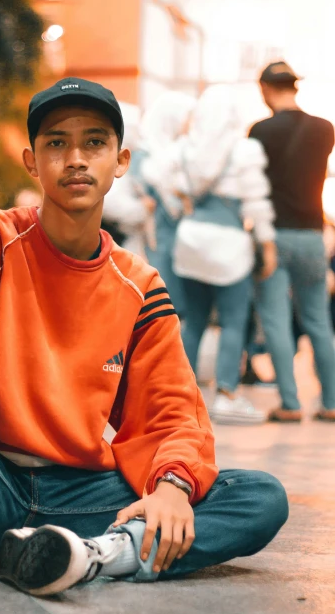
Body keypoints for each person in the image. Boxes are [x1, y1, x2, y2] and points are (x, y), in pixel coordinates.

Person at [0, 77, 288, 601]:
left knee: (258, 497)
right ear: (32, 161)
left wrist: (172, 487)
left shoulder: (139, 285)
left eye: (94, 142)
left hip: (84, 496)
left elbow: (173, 409)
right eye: (56, 143)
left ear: (121, 160)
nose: (76, 158)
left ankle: (88, 556)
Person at [152, 85, 277, 425]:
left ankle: (183, 398)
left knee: (193, 321)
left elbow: (159, 179)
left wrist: (184, 207)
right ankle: (226, 393)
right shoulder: (245, 149)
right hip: (230, 247)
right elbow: (256, 202)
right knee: (233, 321)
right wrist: (266, 243)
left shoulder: (184, 150)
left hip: (190, 243)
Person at [250, 61, 335, 422]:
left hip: (274, 235)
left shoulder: (259, 131)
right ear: (295, 87)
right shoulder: (325, 129)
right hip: (313, 235)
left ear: (266, 89)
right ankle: (331, 403)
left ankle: (290, 402)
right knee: (318, 321)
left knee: (276, 320)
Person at [140, 91, 197, 317]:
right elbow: (173, 207)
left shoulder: (178, 152)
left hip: (180, 250)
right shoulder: (147, 157)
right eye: (187, 118)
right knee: (163, 311)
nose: (190, 125)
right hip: (158, 248)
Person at [102, 101, 156, 256]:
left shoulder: (123, 161)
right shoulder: (112, 163)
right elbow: (110, 203)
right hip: (121, 243)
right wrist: (142, 208)